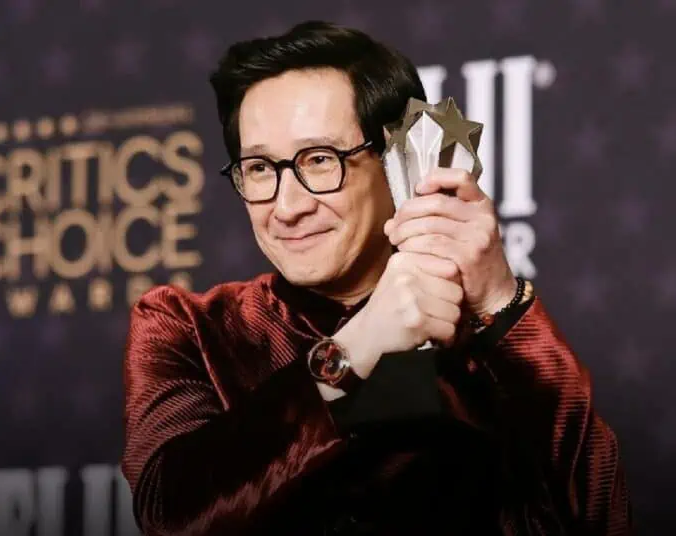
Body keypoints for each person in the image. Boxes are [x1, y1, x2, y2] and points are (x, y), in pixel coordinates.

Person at [121, 20, 632, 535]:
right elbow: (171, 518)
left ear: (396, 161)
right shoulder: (189, 326)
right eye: (258, 168)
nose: (287, 206)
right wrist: (357, 347)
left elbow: (596, 519)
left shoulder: (480, 347)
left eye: (319, 161)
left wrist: (502, 302)